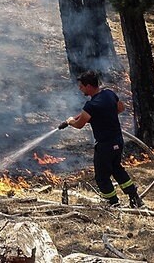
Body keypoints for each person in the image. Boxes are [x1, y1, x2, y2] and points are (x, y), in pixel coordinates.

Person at [59, 71, 145, 208]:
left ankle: (113, 203)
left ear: (88, 86)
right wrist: (105, 115)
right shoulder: (109, 94)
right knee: (116, 168)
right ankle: (134, 198)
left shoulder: (91, 106)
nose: (80, 89)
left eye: (81, 86)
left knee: (101, 177)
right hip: (118, 141)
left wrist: (70, 121)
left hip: (105, 145)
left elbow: (79, 124)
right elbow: (121, 108)